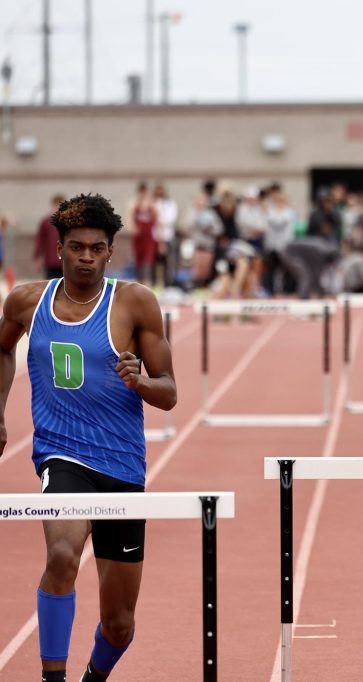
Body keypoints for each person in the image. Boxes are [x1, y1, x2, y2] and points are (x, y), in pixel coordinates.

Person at [0, 193, 176, 682]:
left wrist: (141, 383)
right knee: (61, 555)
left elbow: (169, 394)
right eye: (76, 247)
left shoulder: (136, 303)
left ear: (109, 252)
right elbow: (2, 350)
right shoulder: (27, 302)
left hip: (121, 464)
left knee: (119, 625)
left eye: (96, 248)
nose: (85, 257)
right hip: (62, 454)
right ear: (59, 248)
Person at [35, 195, 65, 280]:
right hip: (50, 261)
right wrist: (38, 257)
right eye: (56, 205)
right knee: (50, 283)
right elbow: (40, 240)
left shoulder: (68, 222)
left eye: (60, 205)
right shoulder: (45, 222)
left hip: (65, 261)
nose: (58, 208)